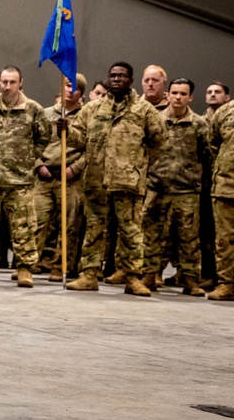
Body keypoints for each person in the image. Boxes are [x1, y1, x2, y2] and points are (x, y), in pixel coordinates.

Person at [61, 62, 165, 296]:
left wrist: (139, 164)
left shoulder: (144, 110)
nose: (116, 79)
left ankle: (132, 277)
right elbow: (78, 139)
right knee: (94, 229)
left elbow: (160, 141)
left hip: (127, 180)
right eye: (113, 75)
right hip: (96, 178)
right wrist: (64, 129)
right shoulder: (93, 109)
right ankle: (89, 274)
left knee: (130, 230)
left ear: (130, 80)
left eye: (122, 76)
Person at [0, 66, 50, 287]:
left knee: (24, 227)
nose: (7, 86)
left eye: (12, 82)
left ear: (21, 82)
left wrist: (28, 158)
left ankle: (24, 268)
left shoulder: (33, 110)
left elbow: (43, 138)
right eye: (4, 81)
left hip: (20, 180)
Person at [142, 78, 211, 295]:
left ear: (190, 97)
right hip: (156, 186)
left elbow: (207, 155)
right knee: (151, 234)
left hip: (186, 190)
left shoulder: (199, 124)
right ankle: (149, 275)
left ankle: (190, 279)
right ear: (168, 95)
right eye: (174, 93)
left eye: (183, 94)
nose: (178, 97)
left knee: (189, 238)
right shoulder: (155, 120)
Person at [33, 75, 87, 281]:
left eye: (74, 87)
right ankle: (29, 263)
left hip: (71, 178)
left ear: (81, 92)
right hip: (45, 177)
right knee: (36, 222)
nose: (69, 90)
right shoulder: (46, 114)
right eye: (66, 85)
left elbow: (90, 149)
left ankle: (60, 266)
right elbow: (33, 142)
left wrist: (74, 168)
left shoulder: (86, 117)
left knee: (69, 225)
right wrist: (39, 164)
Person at [207, 98, 234, 300]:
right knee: (224, 239)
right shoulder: (226, 111)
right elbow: (213, 143)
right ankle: (227, 283)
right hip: (227, 186)